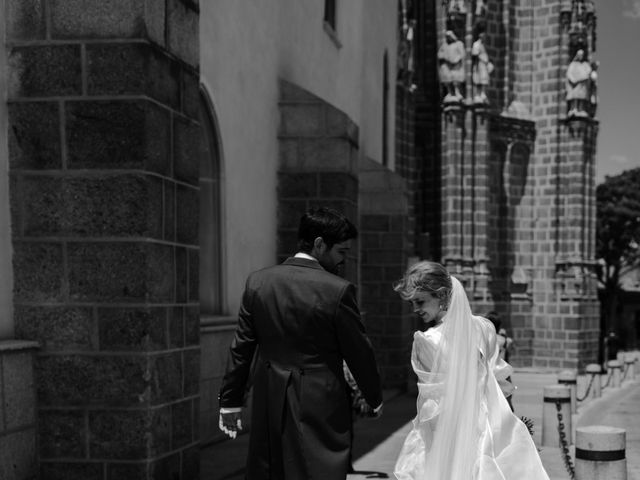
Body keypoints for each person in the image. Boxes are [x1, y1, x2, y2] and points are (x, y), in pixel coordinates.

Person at [218, 207, 383, 480]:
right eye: (341, 252)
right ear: (319, 244)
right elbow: (359, 352)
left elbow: (242, 347)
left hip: (269, 394)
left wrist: (230, 402)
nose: (343, 260)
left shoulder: (257, 282)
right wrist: (374, 397)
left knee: (271, 470)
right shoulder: (338, 289)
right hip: (321, 400)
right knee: (320, 470)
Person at [393, 261, 549, 480]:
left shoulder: (427, 341)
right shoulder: (484, 327)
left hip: (453, 429)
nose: (415, 310)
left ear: (443, 296)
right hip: (488, 423)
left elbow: (434, 401)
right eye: (412, 304)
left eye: (420, 302)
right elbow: (497, 377)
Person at [438, 30, 466, 102]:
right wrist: (445, 57)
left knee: (456, 79)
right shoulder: (445, 45)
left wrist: (456, 60)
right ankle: (450, 92)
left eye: (449, 37)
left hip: (456, 66)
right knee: (448, 79)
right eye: (447, 37)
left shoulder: (458, 44)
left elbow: (462, 54)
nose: (448, 38)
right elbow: (440, 55)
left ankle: (457, 92)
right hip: (448, 67)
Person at [566, 49, 592, 117]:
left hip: (582, 84)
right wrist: (573, 80)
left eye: (582, 55)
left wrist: (585, 76)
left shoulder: (585, 64)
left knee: (582, 97)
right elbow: (569, 73)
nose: (581, 56)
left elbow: (588, 72)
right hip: (575, 83)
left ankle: (581, 109)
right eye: (580, 55)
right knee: (575, 97)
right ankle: (574, 109)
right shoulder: (573, 64)